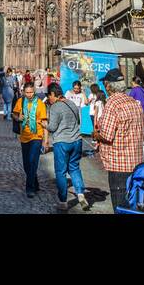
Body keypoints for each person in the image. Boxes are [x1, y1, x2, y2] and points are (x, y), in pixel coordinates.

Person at [93, 69, 144, 212]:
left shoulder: (112, 104)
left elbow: (106, 136)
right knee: (133, 204)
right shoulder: (133, 102)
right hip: (136, 162)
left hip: (119, 164)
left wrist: (96, 135)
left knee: (120, 207)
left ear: (108, 86)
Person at [45, 83, 89, 211]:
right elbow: (78, 121)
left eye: (49, 96)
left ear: (53, 94)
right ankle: (80, 194)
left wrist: (44, 125)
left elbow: (52, 127)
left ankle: (63, 201)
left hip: (62, 142)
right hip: (76, 141)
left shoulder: (55, 107)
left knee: (61, 172)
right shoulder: (72, 104)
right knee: (74, 168)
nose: (49, 98)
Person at [13, 78, 47, 199]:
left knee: (33, 161)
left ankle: (30, 188)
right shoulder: (20, 101)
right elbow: (14, 114)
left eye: (31, 92)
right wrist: (18, 118)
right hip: (24, 136)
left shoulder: (40, 104)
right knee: (27, 164)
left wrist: (45, 141)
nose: (29, 95)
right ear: (23, 92)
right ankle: (35, 182)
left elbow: (44, 122)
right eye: (27, 92)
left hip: (37, 135)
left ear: (34, 91)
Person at [129, 76, 144, 145]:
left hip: (140, 113)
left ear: (134, 82)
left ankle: (140, 145)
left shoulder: (134, 90)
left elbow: (129, 101)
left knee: (138, 129)